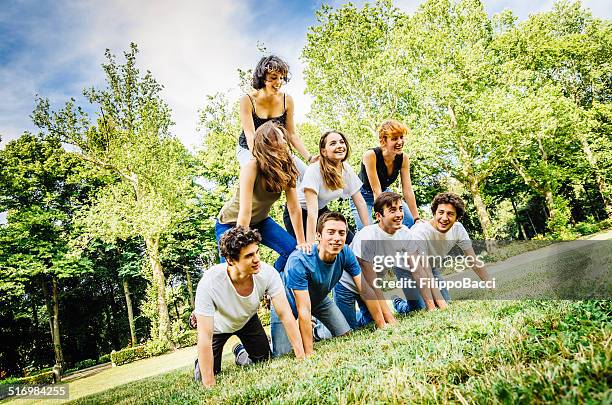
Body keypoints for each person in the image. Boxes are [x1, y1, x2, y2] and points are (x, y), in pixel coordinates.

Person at [193, 226, 305, 387]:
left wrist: (301, 355)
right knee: (204, 376)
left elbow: (286, 314)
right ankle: (201, 363)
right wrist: (209, 384)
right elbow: (204, 337)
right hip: (218, 327)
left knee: (263, 360)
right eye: (249, 255)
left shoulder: (268, 273)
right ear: (231, 260)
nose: (257, 259)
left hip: (248, 320)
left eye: (257, 252)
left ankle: (240, 351)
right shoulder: (209, 282)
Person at [271, 212, 390, 358]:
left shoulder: (346, 252)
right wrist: (309, 353)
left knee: (345, 334)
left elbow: (364, 290)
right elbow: (304, 309)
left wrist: (382, 325)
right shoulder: (299, 260)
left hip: (319, 299)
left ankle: (315, 330)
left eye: (341, 233)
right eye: (331, 232)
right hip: (287, 303)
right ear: (318, 236)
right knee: (281, 353)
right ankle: (245, 350)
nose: (337, 238)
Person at [217, 121, 310, 272]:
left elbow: (293, 208)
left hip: (260, 221)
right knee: (231, 269)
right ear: (267, 144)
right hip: (231, 224)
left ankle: (270, 280)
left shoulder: (286, 168)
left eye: (284, 139)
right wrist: (243, 246)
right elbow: (245, 213)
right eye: (279, 139)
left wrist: (302, 242)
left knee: (293, 252)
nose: (284, 143)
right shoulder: (251, 168)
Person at [393, 192, 494, 313]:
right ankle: (398, 303)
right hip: (405, 267)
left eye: (450, 214)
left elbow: (472, 259)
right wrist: (443, 308)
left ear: (457, 217)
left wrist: (489, 283)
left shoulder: (458, 229)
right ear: (434, 212)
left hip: (429, 266)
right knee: (419, 307)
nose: (444, 218)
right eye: (441, 212)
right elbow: (426, 273)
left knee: (445, 300)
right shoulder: (419, 233)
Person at [283, 130, 370, 246]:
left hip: (321, 211)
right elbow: (312, 212)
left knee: (349, 243)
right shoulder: (314, 170)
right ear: (324, 152)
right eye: (333, 143)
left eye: (341, 142)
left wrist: (369, 230)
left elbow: (360, 202)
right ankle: (281, 264)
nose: (339, 146)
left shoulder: (345, 169)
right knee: (303, 249)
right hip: (299, 213)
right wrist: (311, 243)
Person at [237, 55, 315, 171]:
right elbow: (250, 135)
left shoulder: (287, 100)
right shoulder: (247, 100)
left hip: (278, 149)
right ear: (262, 78)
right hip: (249, 149)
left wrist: (310, 158)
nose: (278, 82)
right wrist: (259, 158)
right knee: (255, 169)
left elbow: (291, 134)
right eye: (273, 77)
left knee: (306, 175)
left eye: (281, 78)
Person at [350, 120, 419, 230]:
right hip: (362, 195)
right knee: (366, 230)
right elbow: (376, 190)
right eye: (394, 139)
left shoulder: (403, 158)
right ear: (383, 141)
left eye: (401, 137)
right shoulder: (371, 155)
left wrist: (416, 219)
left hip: (385, 192)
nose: (400, 142)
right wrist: (384, 217)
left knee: (409, 221)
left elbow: (407, 190)